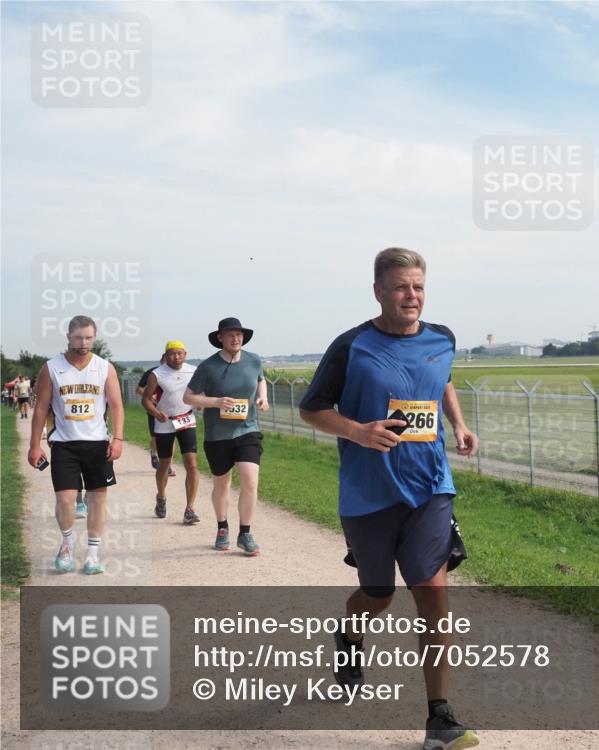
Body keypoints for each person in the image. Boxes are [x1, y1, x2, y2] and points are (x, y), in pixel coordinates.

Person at [299, 247, 479, 750]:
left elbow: (442, 381)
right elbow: (312, 408)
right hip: (369, 493)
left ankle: (440, 719)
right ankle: (350, 636)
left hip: (430, 487)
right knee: (378, 594)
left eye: (418, 287)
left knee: (433, 591)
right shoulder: (351, 346)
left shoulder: (442, 338)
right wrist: (357, 431)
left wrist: (459, 424)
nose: (411, 296)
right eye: (401, 287)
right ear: (379, 291)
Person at [27, 315, 124, 575]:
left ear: (95, 337)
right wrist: (34, 445)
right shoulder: (51, 368)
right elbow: (41, 408)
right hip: (64, 445)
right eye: (79, 338)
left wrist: (117, 439)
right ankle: (67, 543)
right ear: (68, 337)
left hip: (97, 445)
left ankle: (92, 554)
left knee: (97, 500)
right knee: (66, 500)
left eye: (89, 338)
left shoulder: (105, 367)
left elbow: (116, 405)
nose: (84, 343)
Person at [183, 317, 268, 556]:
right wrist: (216, 402)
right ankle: (222, 527)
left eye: (239, 334)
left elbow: (261, 380)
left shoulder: (254, 360)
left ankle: (245, 533)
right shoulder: (208, 367)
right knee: (222, 484)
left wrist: (263, 397)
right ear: (220, 338)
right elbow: (188, 397)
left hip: (248, 429)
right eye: (230, 334)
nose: (235, 338)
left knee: (250, 480)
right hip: (217, 435)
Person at [143, 340, 200, 524]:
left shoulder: (193, 371)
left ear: (185, 354)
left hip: (186, 420)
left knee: (192, 464)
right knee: (165, 463)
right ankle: (161, 497)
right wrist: (155, 413)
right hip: (164, 423)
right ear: (166, 356)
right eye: (172, 354)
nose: (176, 357)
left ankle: (190, 508)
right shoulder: (157, 374)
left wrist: (200, 402)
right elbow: (145, 399)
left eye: (179, 353)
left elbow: (200, 392)